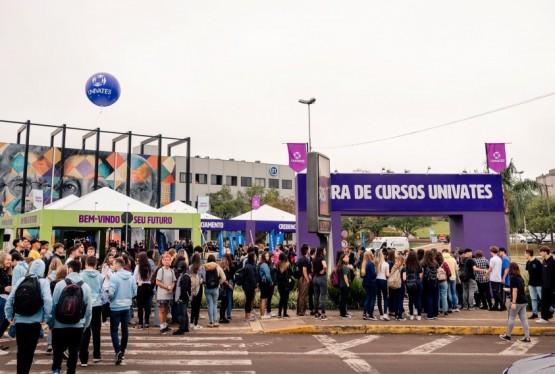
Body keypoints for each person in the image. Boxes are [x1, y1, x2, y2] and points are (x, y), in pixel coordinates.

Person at [5, 253, 52, 374]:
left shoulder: (22, 280)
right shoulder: (43, 282)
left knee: (21, 351)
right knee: (29, 351)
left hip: (20, 321)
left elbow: (11, 299)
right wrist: (46, 317)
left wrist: (9, 316)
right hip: (34, 322)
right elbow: (47, 300)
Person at [49, 260, 92, 374]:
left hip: (59, 324)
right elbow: (88, 310)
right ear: (80, 269)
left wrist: (51, 323)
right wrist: (85, 325)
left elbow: (53, 305)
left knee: (57, 350)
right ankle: (71, 371)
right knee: (74, 352)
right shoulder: (86, 287)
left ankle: (56, 370)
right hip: (77, 325)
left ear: (70, 269)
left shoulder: (59, 284)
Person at [109, 257, 137, 364]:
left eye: (113, 264)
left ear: (117, 265)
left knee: (114, 330)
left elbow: (111, 293)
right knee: (125, 329)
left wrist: (110, 298)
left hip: (115, 307)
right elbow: (135, 292)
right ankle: (123, 350)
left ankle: (118, 350)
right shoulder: (131, 276)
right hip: (127, 306)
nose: (113, 266)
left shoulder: (114, 277)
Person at [79, 255, 104, 366]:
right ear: (95, 265)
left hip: (85, 304)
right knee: (96, 330)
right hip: (97, 304)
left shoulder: (81, 275)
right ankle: (96, 354)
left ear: (85, 263)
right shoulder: (100, 276)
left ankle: (84, 358)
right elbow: (102, 291)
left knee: (85, 330)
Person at [500, 262, 531, 343]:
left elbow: (515, 290)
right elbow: (523, 289)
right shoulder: (521, 278)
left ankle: (508, 335)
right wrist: (510, 290)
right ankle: (527, 337)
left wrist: (513, 302)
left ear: (511, 269)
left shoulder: (513, 278)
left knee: (511, 318)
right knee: (524, 319)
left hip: (516, 301)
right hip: (524, 300)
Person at [203, 254, 226, 327]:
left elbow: (203, 278)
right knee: (215, 304)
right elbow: (224, 278)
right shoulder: (218, 267)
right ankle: (216, 322)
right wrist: (219, 283)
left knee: (210, 304)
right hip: (216, 288)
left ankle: (211, 322)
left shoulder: (205, 267)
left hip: (207, 288)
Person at [156, 253, 176, 333]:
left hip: (169, 294)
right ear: (162, 261)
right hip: (162, 294)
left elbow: (174, 281)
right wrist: (166, 287)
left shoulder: (171, 270)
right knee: (162, 310)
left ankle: (165, 324)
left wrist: (172, 287)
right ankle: (161, 327)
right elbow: (157, 282)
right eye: (165, 260)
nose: (167, 261)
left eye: (168, 260)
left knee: (166, 310)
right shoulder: (161, 270)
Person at [133, 252, 153, 329]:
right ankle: (147, 322)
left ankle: (140, 323)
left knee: (140, 306)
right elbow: (151, 277)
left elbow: (134, 277)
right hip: (148, 287)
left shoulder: (138, 267)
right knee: (147, 305)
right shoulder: (149, 267)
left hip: (140, 287)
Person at [536, 247, 555, 324]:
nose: (540, 253)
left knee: (547, 302)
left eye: (541, 252)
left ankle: (546, 316)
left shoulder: (553, 261)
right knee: (544, 302)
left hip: (551, 286)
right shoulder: (544, 261)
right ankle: (545, 317)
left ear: (545, 252)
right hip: (544, 285)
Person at [525, 249, 542, 319]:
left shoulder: (537, 262)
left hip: (539, 283)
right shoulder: (528, 262)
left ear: (528, 254)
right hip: (531, 284)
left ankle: (550, 310)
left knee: (543, 298)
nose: (524, 255)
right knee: (533, 299)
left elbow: (542, 272)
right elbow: (528, 271)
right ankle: (535, 313)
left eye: (525, 253)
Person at [0, 253, 13, 352]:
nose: (9, 261)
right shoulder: (0, 271)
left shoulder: (6, 271)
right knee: (2, 321)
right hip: (1, 299)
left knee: (5, 320)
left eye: (10, 259)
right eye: (7, 259)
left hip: (5, 298)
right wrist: (4, 288)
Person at [422, 250, 439, 320]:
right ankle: (435, 314)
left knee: (428, 298)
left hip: (427, 282)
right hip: (435, 281)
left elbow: (422, 273)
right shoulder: (435, 263)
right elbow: (438, 272)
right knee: (435, 298)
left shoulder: (424, 263)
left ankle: (430, 314)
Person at [312, 247, 328, 321]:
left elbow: (312, 269)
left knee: (316, 296)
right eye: (324, 250)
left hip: (315, 278)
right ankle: (323, 314)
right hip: (321, 278)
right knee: (323, 296)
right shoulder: (322, 259)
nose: (325, 251)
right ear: (321, 251)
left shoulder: (314, 259)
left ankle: (316, 313)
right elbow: (325, 266)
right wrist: (322, 271)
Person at [405, 251, 423, 320]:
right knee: (418, 299)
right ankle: (419, 315)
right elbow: (420, 274)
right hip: (418, 282)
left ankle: (411, 315)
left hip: (410, 283)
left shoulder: (407, 265)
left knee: (411, 299)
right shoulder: (418, 264)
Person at [486, 246, 504, 311]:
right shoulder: (499, 259)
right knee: (495, 292)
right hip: (498, 277)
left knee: (496, 293)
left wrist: (485, 275)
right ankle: (496, 305)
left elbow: (490, 269)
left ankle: (502, 305)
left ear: (491, 251)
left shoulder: (492, 259)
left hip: (494, 278)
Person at [189, 253, 204, 329]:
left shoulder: (190, 267)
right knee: (197, 306)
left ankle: (191, 322)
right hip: (199, 287)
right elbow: (203, 278)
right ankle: (196, 324)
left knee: (192, 305)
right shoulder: (201, 268)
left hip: (191, 288)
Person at [374, 249, 390, 321]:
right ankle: (385, 313)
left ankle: (381, 314)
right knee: (385, 297)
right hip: (383, 280)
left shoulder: (375, 263)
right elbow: (387, 274)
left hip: (377, 280)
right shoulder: (386, 264)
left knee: (379, 298)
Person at [296, 244, 312, 317]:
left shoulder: (300, 258)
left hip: (300, 278)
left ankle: (299, 311)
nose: (310, 249)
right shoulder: (305, 259)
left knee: (301, 295)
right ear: (306, 250)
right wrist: (307, 279)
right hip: (303, 278)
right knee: (303, 295)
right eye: (309, 248)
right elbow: (304, 270)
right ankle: (301, 312)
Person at [441, 249, 459, 313]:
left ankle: (449, 306)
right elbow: (456, 269)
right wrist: (458, 279)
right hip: (453, 277)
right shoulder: (453, 259)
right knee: (454, 292)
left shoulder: (442, 259)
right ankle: (456, 306)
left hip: (445, 278)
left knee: (448, 293)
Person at [361, 251, 377, 320]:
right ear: (370, 256)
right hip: (371, 283)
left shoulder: (364, 264)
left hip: (365, 283)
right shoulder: (371, 264)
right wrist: (376, 272)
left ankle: (365, 313)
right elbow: (373, 274)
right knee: (373, 298)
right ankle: (371, 314)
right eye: (372, 254)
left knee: (368, 298)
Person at [390, 255, 407, 321]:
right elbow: (404, 278)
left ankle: (396, 315)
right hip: (401, 285)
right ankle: (400, 316)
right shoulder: (403, 268)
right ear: (403, 261)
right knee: (400, 301)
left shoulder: (394, 267)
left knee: (396, 300)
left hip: (394, 285)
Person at [276, 252, 292, 318]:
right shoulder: (287, 264)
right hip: (286, 283)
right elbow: (291, 273)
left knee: (281, 298)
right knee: (285, 298)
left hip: (280, 283)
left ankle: (279, 313)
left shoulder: (277, 264)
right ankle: (285, 313)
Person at [242, 251, 257, 322]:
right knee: (249, 301)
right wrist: (255, 287)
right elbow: (252, 278)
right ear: (252, 257)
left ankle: (247, 316)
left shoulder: (248, 265)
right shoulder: (250, 267)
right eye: (255, 256)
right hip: (249, 287)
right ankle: (247, 317)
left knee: (248, 301)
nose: (256, 257)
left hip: (246, 286)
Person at [258, 251, 273, 320]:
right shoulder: (264, 265)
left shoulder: (261, 264)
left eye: (268, 256)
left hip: (262, 282)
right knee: (263, 299)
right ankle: (263, 314)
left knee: (262, 299)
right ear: (263, 257)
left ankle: (262, 314)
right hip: (265, 283)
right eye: (266, 256)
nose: (267, 257)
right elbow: (267, 275)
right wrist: (271, 282)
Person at [436, 252, 452, 317]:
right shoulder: (444, 264)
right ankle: (445, 310)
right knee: (444, 297)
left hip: (436, 281)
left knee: (437, 297)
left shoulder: (434, 264)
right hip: (444, 281)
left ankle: (438, 310)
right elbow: (449, 273)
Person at [219, 256, 234, 324]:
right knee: (225, 302)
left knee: (225, 302)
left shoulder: (223, 270)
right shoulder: (223, 270)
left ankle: (223, 317)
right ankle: (222, 317)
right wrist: (229, 285)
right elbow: (224, 279)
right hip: (224, 288)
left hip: (224, 287)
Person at [338, 253, 351, 318]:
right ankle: (343, 314)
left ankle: (342, 313)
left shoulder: (341, 266)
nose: (348, 258)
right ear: (343, 259)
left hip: (341, 285)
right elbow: (345, 276)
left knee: (342, 299)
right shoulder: (345, 267)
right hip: (344, 285)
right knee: (344, 299)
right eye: (346, 257)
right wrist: (348, 285)